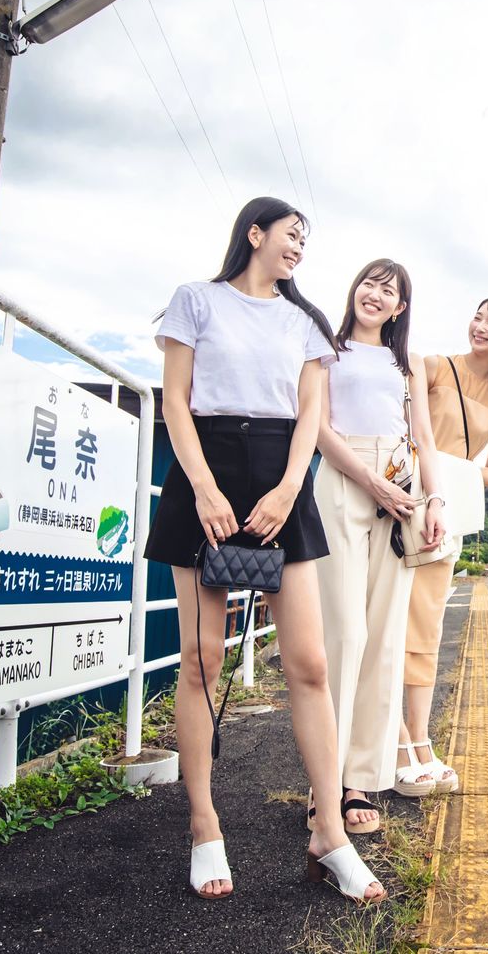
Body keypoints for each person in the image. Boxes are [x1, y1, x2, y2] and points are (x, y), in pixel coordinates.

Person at [144, 197, 385, 904]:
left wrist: (288, 489)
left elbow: (312, 413)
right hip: (205, 470)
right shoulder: (196, 301)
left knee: (309, 663)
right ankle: (204, 825)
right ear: (255, 234)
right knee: (203, 660)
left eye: (306, 242)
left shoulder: (306, 322)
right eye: (291, 236)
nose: (299, 249)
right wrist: (204, 490)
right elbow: (176, 402)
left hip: (282, 474)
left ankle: (329, 833)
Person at [312, 259, 447, 835]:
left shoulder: (407, 362)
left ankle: (359, 780)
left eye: (388, 290)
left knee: (385, 638)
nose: (375, 294)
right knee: (343, 634)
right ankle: (322, 786)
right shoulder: (325, 346)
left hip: (402, 481)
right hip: (343, 478)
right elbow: (315, 425)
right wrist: (371, 482)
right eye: (369, 282)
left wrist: (434, 499)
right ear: (354, 291)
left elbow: (423, 439)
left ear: (400, 308)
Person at [395, 297, 488, 797]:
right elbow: (403, 430)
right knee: (386, 619)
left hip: (445, 516)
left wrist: (449, 476)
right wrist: (428, 473)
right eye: (478, 315)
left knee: (426, 626)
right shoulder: (432, 367)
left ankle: (420, 740)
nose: (481, 326)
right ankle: (400, 741)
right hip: (402, 501)